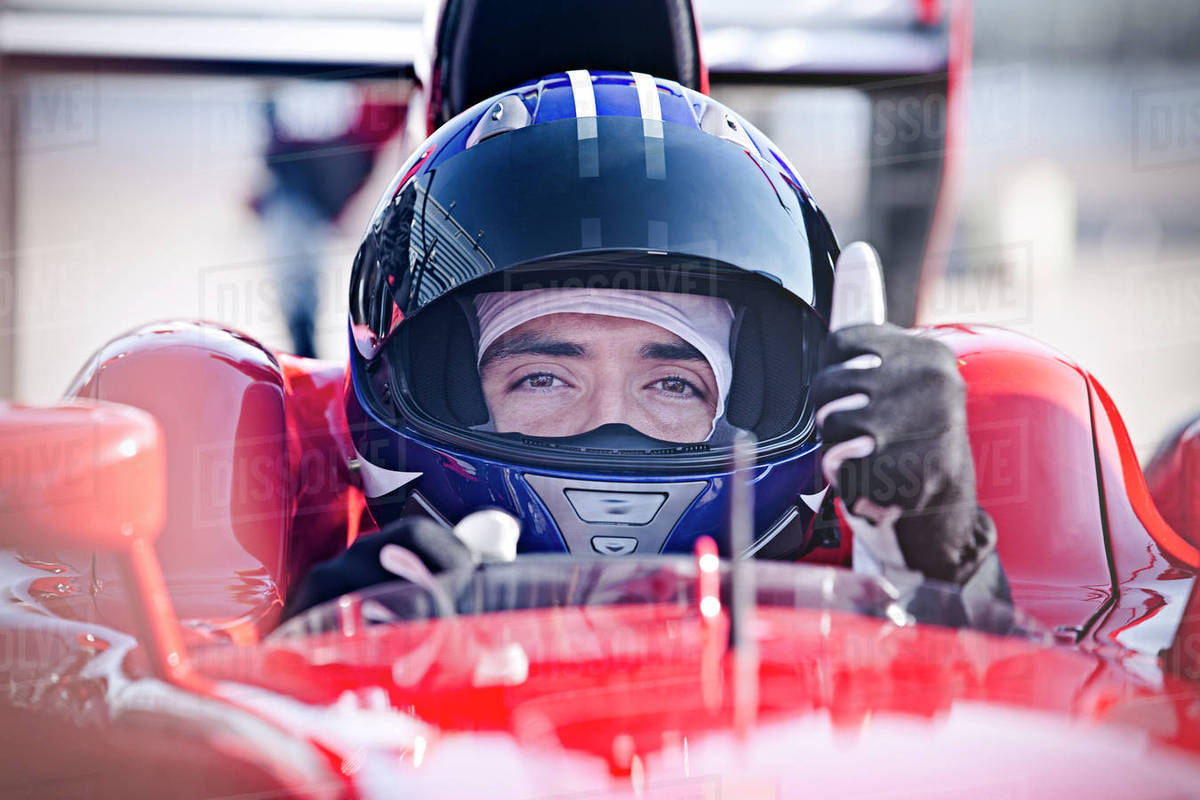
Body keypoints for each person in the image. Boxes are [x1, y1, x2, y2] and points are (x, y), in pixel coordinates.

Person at [285, 70, 1007, 617]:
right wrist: (319, 673)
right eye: (543, 377)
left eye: (672, 384)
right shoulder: (368, 616)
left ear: (753, 402)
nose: (610, 425)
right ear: (445, 387)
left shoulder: (879, 588)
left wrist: (945, 572)